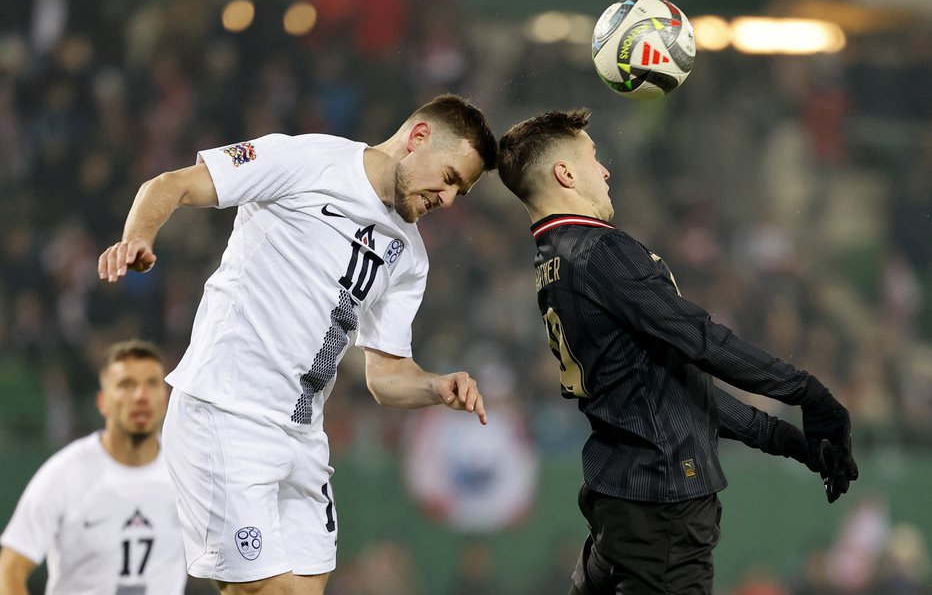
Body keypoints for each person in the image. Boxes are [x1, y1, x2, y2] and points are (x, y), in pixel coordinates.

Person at [97, 94, 497, 594]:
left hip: (304, 437)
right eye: (451, 177)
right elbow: (171, 184)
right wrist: (138, 236)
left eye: (462, 191)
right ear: (418, 138)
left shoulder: (410, 256)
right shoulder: (309, 160)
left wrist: (438, 387)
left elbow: (386, 378)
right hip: (225, 412)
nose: (449, 199)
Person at [496, 109, 859, 595]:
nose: (605, 171)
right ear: (565, 174)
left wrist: (785, 440)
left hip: (620, 507)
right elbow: (703, 341)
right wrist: (809, 393)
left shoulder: (552, 262)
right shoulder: (601, 252)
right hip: (662, 506)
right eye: (593, 158)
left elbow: (669, 389)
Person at [0, 340, 186, 595]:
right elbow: (10, 568)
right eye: (126, 385)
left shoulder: (186, 473)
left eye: (152, 384)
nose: (140, 396)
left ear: (165, 401)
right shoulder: (65, 473)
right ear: (102, 402)